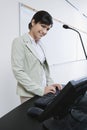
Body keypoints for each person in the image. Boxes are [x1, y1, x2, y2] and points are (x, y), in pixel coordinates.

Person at [11, 10, 62, 104]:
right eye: (43, 26)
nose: (44, 31)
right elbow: (18, 71)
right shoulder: (19, 42)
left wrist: (51, 84)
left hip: (45, 91)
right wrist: (40, 90)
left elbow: (44, 70)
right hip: (29, 94)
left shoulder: (41, 45)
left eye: (47, 29)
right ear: (33, 22)